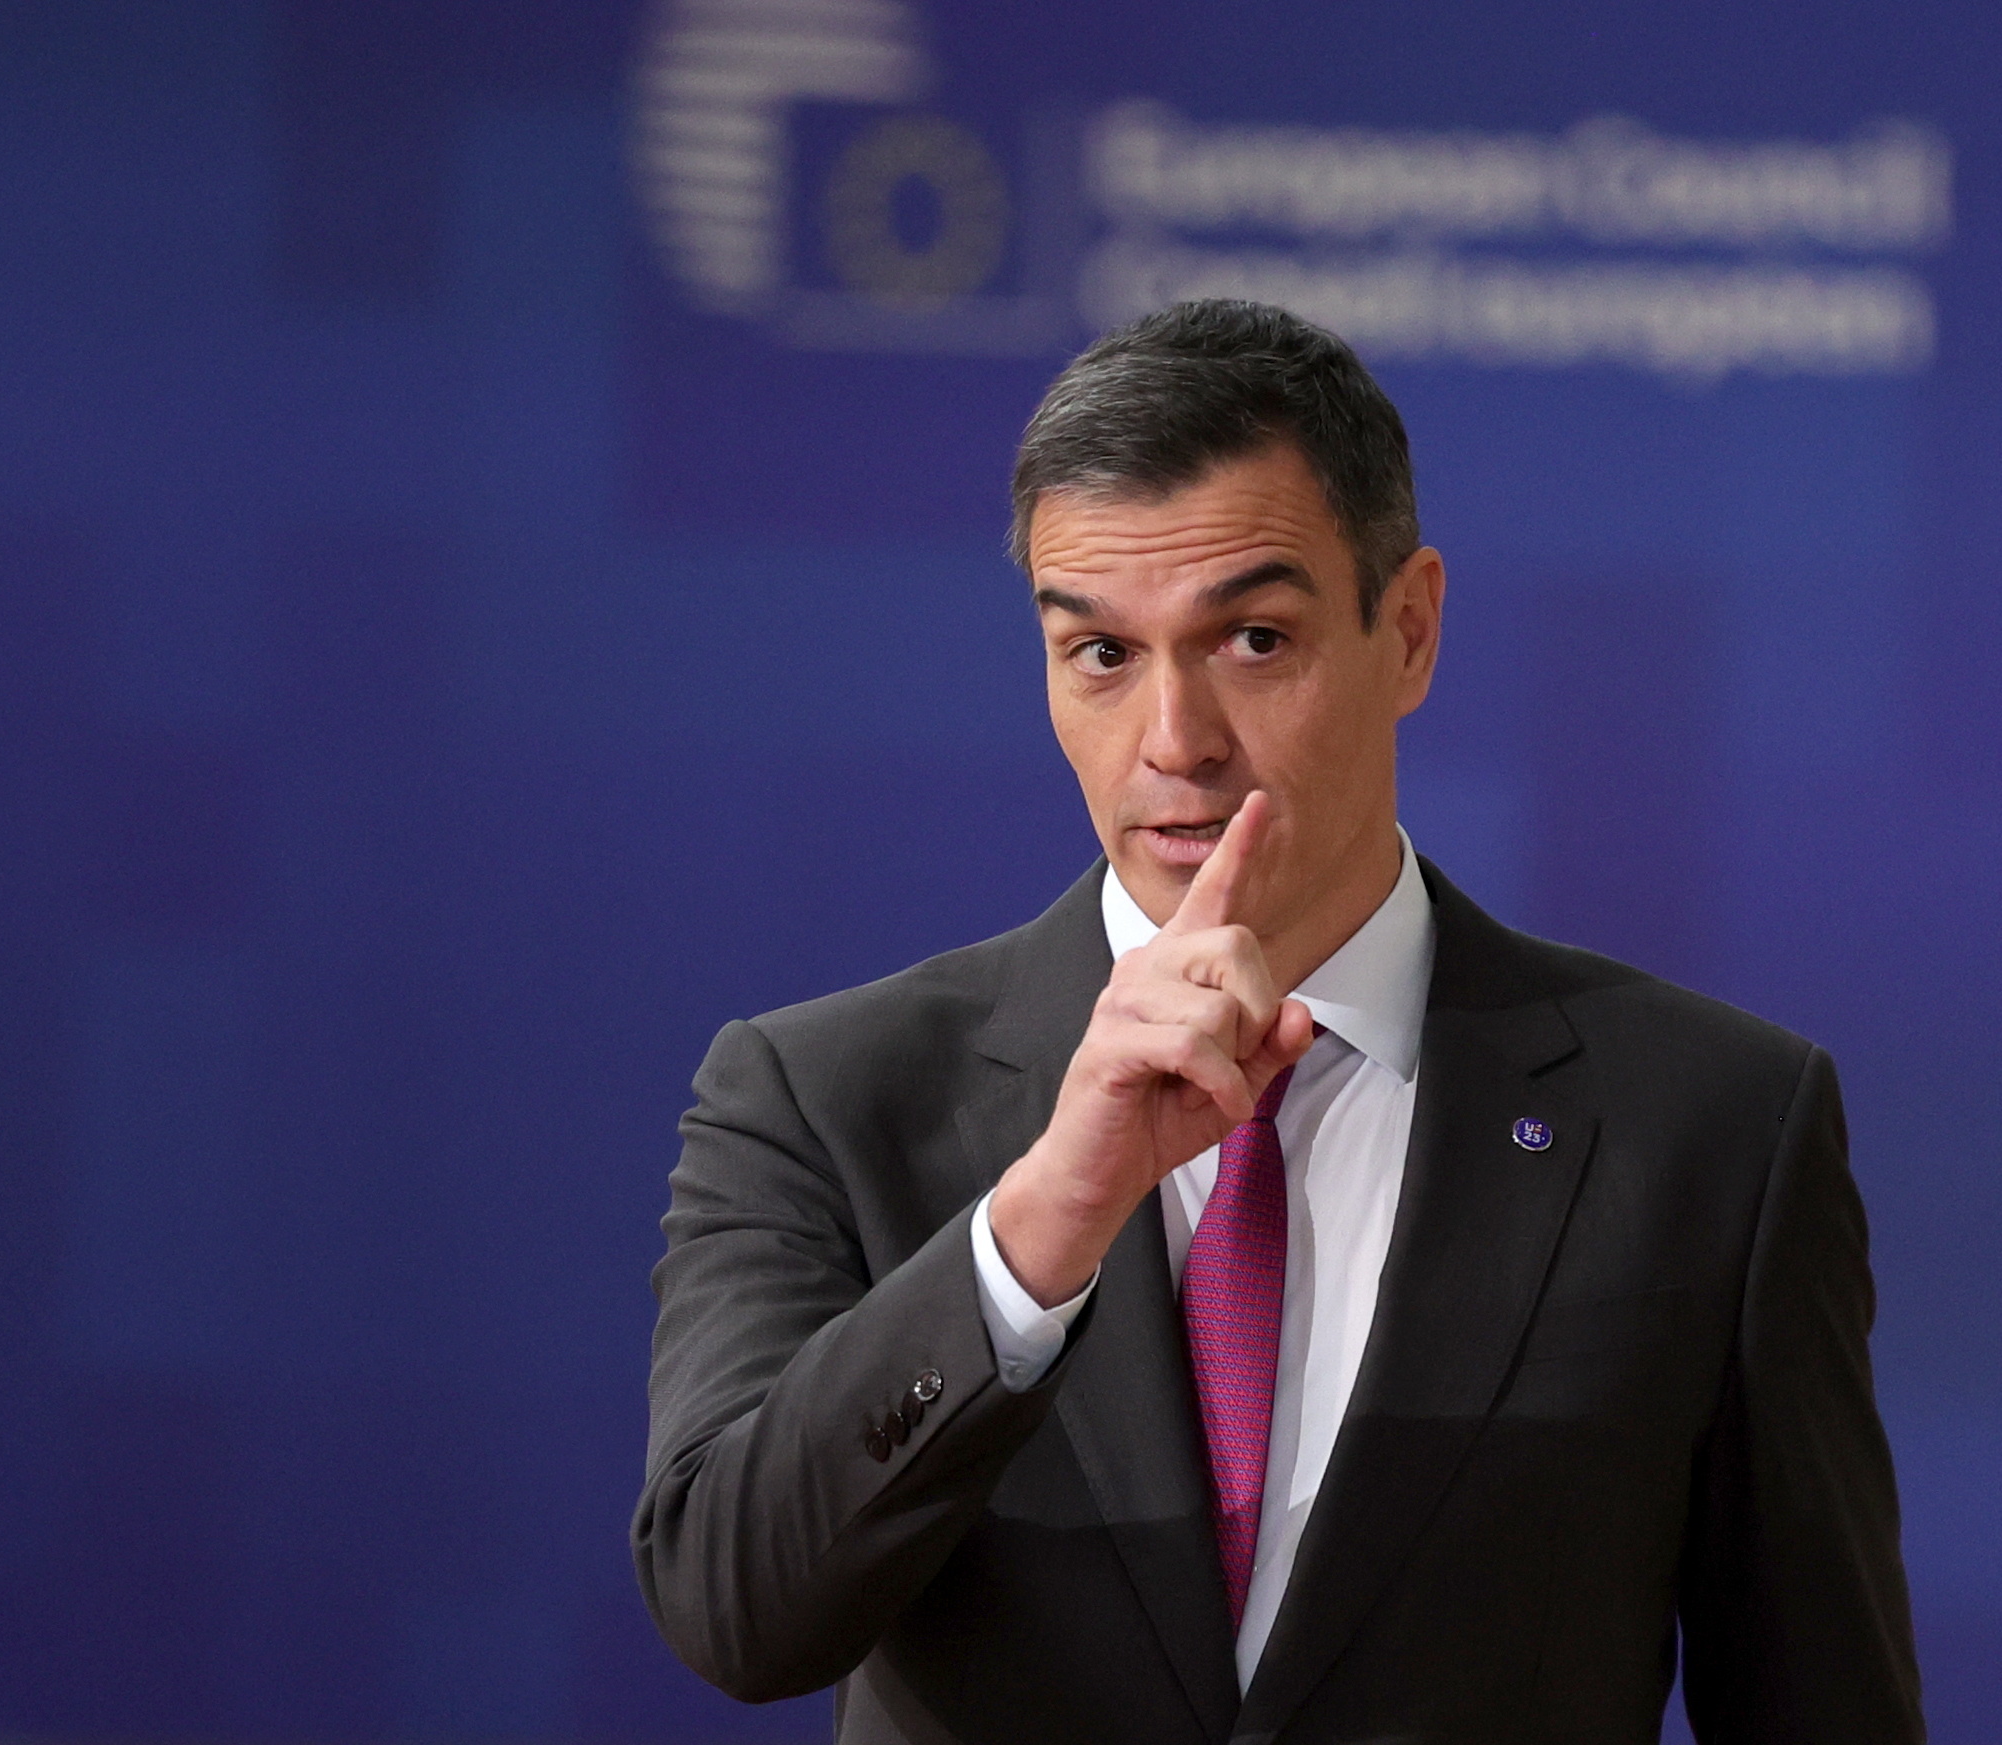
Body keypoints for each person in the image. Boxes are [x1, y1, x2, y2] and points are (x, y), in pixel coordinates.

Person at [633, 300, 1924, 1745]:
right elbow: (735, 1609)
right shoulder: (822, 1097)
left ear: (1408, 630)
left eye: (1252, 639)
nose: (1173, 741)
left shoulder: (1711, 1130)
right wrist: (1044, 1221)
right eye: (1100, 654)